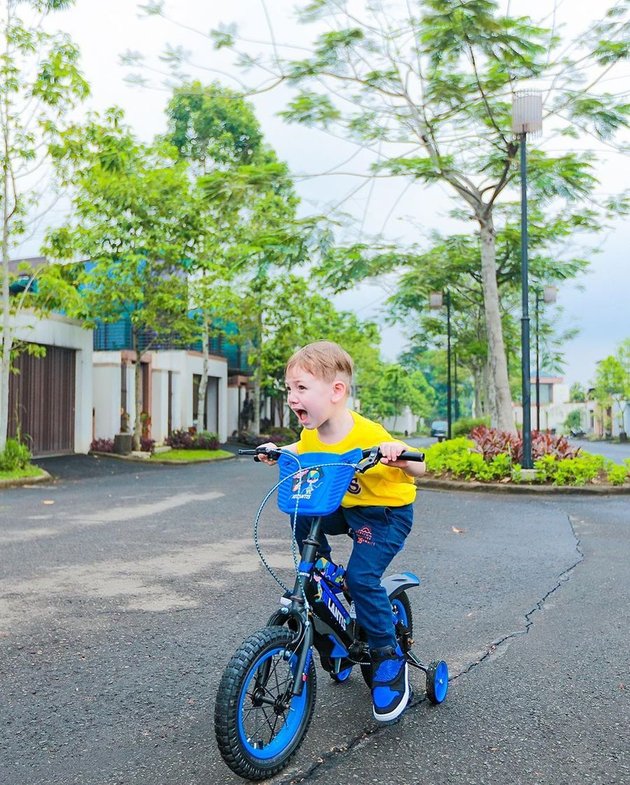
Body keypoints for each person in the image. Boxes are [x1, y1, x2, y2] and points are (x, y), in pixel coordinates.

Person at [259, 340, 426, 723]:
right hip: (346, 510)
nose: (292, 397)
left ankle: (386, 656)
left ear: (337, 392)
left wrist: (396, 454)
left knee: (362, 578)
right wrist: (275, 450)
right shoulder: (313, 432)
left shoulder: (367, 432)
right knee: (303, 506)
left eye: (301, 388)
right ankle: (324, 569)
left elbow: (420, 468)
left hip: (384, 515)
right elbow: (299, 448)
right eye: (289, 389)